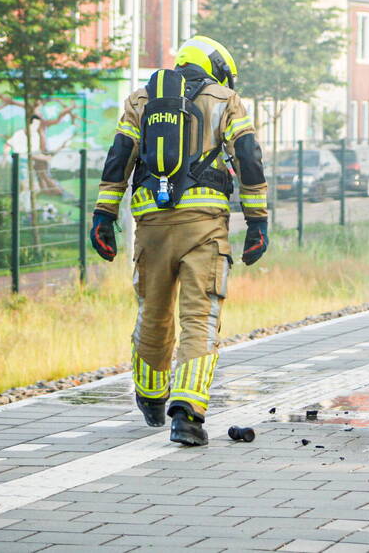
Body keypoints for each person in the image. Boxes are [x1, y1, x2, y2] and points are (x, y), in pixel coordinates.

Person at [91, 36, 268, 446]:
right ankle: (187, 414)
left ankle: (152, 397)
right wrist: (257, 221)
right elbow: (248, 156)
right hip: (203, 226)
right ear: (215, 68)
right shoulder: (226, 100)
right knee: (199, 316)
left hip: (150, 224)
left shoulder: (140, 100)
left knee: (152, 312)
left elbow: (118, 158)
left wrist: (103, 215)